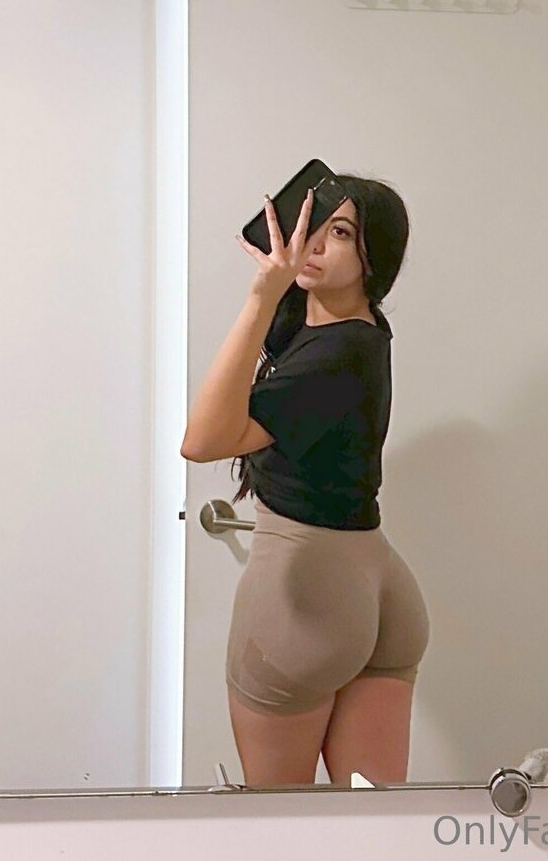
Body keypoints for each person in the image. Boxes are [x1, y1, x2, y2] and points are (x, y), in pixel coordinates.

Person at [181, 173, 429, 787]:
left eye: (340, 233)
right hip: (377, 588)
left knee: (281, 823)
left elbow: (201, 442)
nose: (315, 243)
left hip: (306, 603)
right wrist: (278, 294)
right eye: (313, 225)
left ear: (375, 258)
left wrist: (260, 295)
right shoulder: (356, 331)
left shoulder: (333, 354)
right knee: (372, 825)